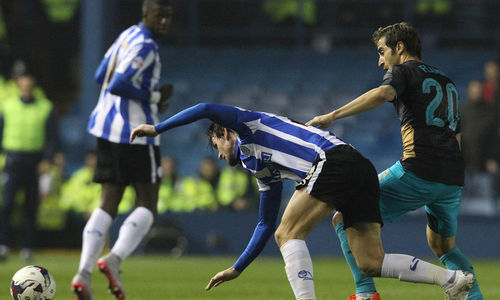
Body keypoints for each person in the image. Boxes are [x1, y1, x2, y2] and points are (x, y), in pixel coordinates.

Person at [131, 102, 475, 300]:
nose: (219, 157)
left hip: (332, 162)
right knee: (371, 261)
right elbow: (265, 223)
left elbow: (206, 107)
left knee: (289, 233)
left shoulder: (246, 124)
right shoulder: (260, 166)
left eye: (216, 147)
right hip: (358, 167)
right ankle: (452, 281)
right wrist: (238, 268)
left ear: (223, 133)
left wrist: (157, 129)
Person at [306, 22, 483, 300]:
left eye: (381, 51)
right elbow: (455, 133)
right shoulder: (446, 80)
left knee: (343, 214)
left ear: (399, 48)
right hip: (451, 178)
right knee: (444, 246)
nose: (380, 61)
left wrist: (333, 115)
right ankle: (474, 297)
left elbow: (383, 93)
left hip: (418, 171)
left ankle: (365, 294)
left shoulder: (401, 71)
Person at [71, 1, 174, 299]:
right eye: (160, 15)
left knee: (108, 200)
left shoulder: (127, 34)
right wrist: (154, 95)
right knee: (148, 202)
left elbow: (99, 75)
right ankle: (113, 260)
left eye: (169, 16)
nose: (165, 21)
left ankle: (83, 273)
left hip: (105, 128)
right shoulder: (146, 46)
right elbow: (117, 83)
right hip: (136, 132)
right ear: (146, 14)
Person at [0, 73, 58, 262]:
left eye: (29, 85)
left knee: (31, 206)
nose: (26, 88)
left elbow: (52, 136)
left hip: (35, 162)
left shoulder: (45, 107)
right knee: (7, 204)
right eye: (23, 85)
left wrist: (47, 159)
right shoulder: (8, 106)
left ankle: (27, 247)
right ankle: (4, 245)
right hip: (12, 160)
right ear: (18, 86)